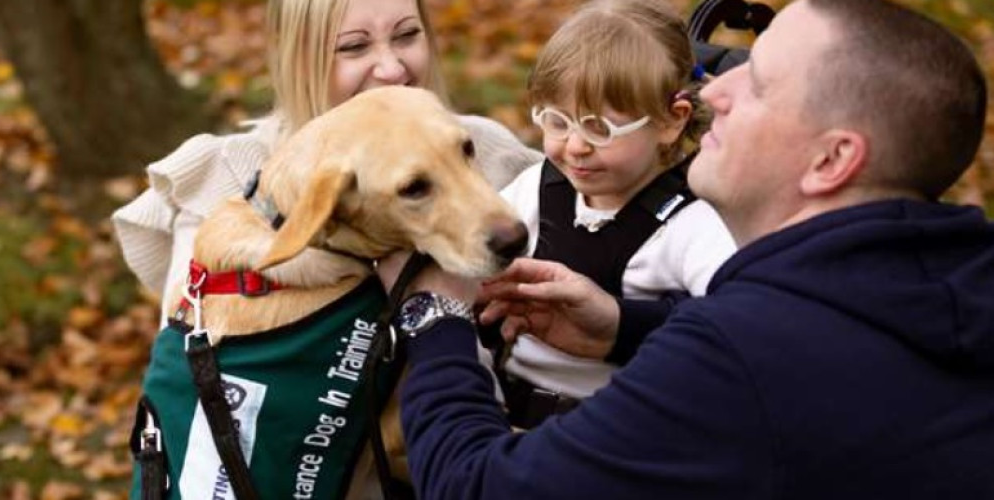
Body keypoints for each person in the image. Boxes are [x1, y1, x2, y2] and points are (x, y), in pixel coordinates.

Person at [380, 0, 994, 497]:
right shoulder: (959, 279)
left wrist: (434, 317)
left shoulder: (747, 355)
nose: (711, 89)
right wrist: (623, 329)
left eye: (755, 82)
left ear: (832, 159)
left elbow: (478, 487)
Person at [112, 0, 542, 319]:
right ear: (298, 58)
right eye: (354, 47)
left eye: (407, 35)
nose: (391, 69)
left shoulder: (491, 151)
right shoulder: (223, 180)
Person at [493, 0, 735, 428]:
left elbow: (733, 326)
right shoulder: (540, 187)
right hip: (505, 406)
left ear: (670, 121)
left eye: (599, 128)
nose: (575, 146)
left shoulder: (695, 221)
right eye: (557, 121)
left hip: (616, 430)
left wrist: (623, 323)